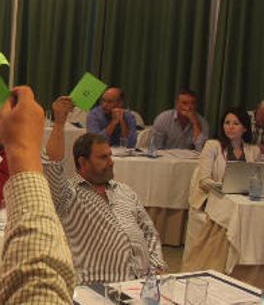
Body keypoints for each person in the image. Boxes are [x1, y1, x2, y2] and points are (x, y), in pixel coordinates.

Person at [45, 95, 165, 284]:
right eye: (103, 157)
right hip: (98, 286)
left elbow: (149, 231)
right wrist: (59, 122)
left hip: (141, 285)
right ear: (82, 162)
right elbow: (52, 164)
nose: (111, 162)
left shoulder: (124, 191)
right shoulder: (68, 195)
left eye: (110, 155)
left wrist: (157, 266)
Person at [0, 86, 75, 304]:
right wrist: (23, 149)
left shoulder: (125, 193)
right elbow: (37, 285)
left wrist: (21, 149)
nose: (111, 161)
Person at [184, 107, 263, 270]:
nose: (230, 127)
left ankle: (246, 263)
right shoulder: (212, 146)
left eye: (236, 123)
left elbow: (255, 179)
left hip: (240, 199)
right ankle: (220, 262)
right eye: (227, 123)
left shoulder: (253, 150)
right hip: (212, 197)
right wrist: (222, 187)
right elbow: (204, 180)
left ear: (245, 128)